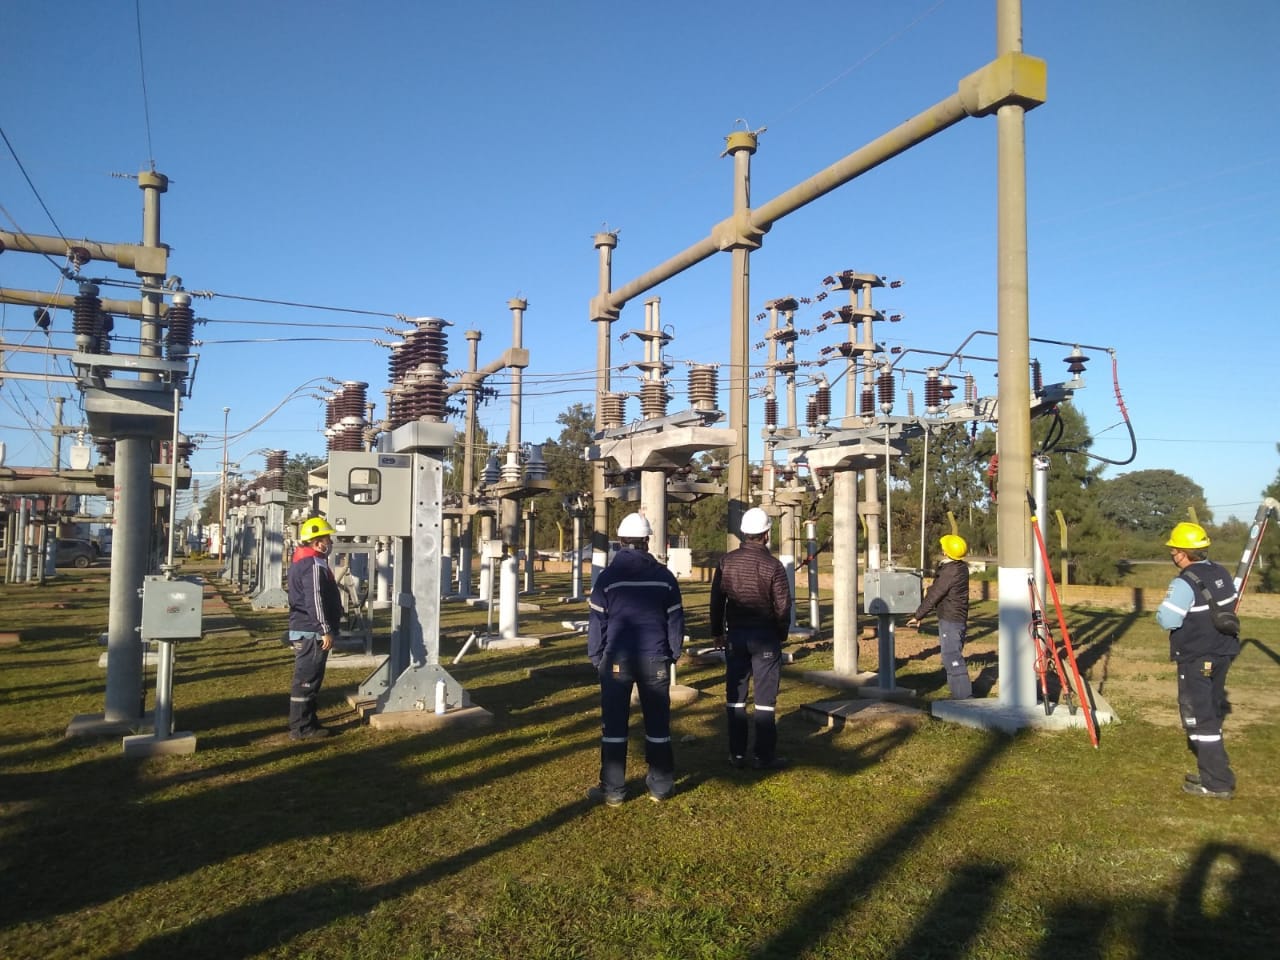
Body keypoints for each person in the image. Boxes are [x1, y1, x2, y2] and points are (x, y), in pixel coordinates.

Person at [586, 512, 685, 805]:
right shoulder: (665, 578)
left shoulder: (607, 578)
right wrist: (672, 654)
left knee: (614, 725)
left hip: (617, 659)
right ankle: (661, 787)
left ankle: (613, 790)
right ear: (647, 541)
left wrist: (597, 658)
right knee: (658, 724)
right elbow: (675, 621)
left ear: (620, 541)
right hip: (655, 658)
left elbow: (597, 623)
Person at [1156, 521, 1240, 799]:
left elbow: (1168, 619)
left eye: (1173, 550)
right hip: (1223, 651)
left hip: (1196, 656)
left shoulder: (1184, 582)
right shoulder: (1221, 572)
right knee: (1211, 712)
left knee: (1201, 719)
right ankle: (1211, 771)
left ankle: (1216, 782)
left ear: (1182, 553)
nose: (1172, 555)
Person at [709, 506, 792, 770]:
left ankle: (737, 754)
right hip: (765, 637)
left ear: (744, 533)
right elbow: (783, 606)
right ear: (767, 534)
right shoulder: (774, 566)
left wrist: (717, 632)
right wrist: (781, 632)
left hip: (736, 637)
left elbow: (717, 601)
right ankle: (763, 756)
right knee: (765, 701)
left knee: (736, 696)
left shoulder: (726, 562)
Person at [286, 516, 344, 741]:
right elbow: (315, 600)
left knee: (310, 679)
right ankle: (302, 728)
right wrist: (324, 629)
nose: (330, 542)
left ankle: (308, 721)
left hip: (306, 628)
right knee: (307, 680)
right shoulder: (312, 565)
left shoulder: (303, 561)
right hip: (311, 631)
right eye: (327, 539)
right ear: (318, 542)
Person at [906, 534, 973, 700]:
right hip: (955, 617)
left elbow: (935, 595)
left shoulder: (950, 571)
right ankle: (958, 696)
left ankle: (965, 698)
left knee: (952, 657)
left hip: (951, 619)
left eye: (944, 547)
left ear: (947, 552)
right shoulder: (959, 567)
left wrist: (918, 615)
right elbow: (942, 589)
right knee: (950, 656)